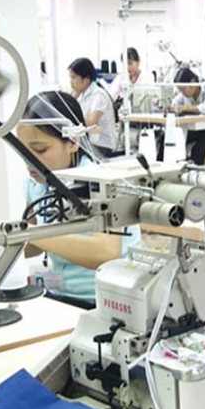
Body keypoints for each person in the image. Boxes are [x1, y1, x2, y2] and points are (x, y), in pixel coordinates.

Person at [17, 90, 141, 308]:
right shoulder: (35, 185)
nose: (29, 161)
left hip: (111, 301)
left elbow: (105, 252)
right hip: (59, 297)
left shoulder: (104, 183)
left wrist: (30, 234)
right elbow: (33, 243)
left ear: (73, 142)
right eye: (22, 150)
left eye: (40, 149)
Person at [68, 58, 117, 154]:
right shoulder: (82, 94)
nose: (71, 82)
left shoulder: (99, 95)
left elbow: (91, 122)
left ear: (86, 79)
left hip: (102, 145)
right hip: (88, 142)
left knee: (70, 153)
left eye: (73, 78)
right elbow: (68, 110)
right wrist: (74, 96)